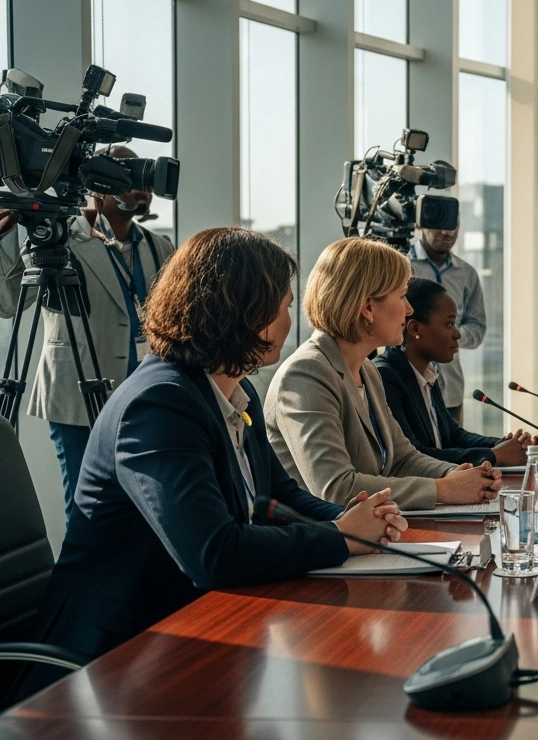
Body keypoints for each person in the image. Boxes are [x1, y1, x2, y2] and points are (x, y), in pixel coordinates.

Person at [21, 228, 406, 690]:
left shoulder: (233, 394)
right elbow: (213, 553)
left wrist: (357, 517)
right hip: (112, 662)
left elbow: (275, 498)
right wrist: (341, 536)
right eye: (284, 308)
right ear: (249, 316)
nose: (290, 322)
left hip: (187, 631)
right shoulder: (159, 405)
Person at [0, 146, 176, 515]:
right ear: (98, 185)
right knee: (86, 509)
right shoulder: (59, 239)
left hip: (144, 396)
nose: (140, 187)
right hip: (75, 397)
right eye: (127, 176)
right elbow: (8, 301)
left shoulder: (160, 247)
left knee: (143, 510)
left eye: (142, 177)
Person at [265, 237, 500, 511]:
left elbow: (402, 459)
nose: (409, 309)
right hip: (325, 545)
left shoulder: (367, 369)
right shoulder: (306, 373)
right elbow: (336, 487)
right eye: (402, 296)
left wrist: (455, 475)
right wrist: (442, 489)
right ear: (367, 307)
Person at [375, 277, 536, 467]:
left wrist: (503, 445)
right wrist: (492, 455)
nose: (458, 334)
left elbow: (452, 436)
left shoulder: (427, 373)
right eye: (449, 324)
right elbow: (415, 455)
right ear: (415, 328)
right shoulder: (386, 376)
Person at [408, 225, 487, 424]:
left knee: (456, 452)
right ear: (420, 224)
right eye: (440, 225)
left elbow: (477, 328)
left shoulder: (467, 273)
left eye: (453, 225)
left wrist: (448, 333)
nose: (447, 232)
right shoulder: (402, 266)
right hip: (409, 390)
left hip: (450, 392)